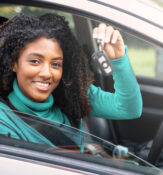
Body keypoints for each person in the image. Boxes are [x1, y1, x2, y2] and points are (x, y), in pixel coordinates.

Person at [0, 14, 142, 149]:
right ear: (14, 63)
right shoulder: (4, 120)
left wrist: (119, 59)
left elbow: (129, 109)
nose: (47, 73)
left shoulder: (71, 93)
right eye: (35, 61)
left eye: (56, 64)